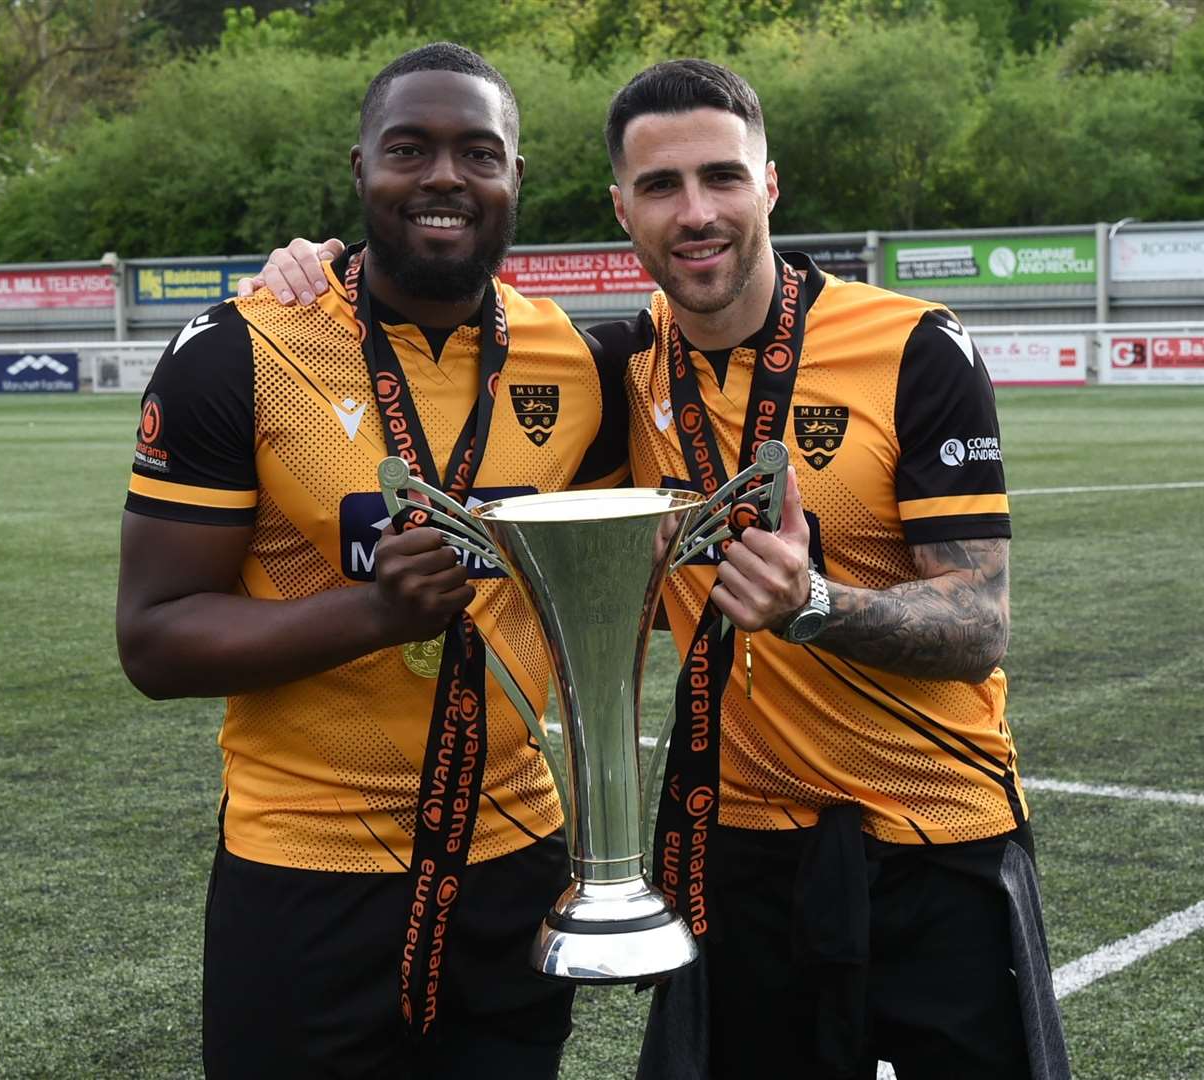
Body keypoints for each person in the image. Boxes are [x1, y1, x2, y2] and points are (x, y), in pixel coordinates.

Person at [252, 58, 1069, 1080]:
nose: (697, 213)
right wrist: (312, 270)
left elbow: (980, 624)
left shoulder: (915, 349)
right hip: (733, 845)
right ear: (621, 211)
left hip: (934, 835)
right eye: (660, 187)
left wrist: (812, 603)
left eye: (722, 177)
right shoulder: (616, 371)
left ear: (768, 186)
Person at [115, 43, 627, 1079]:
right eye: (410, 149)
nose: (445, 176)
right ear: (360, 172)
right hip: (308, 874)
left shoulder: (581, 362)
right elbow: (155, 639)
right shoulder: (239, 350)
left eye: (479, 153)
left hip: (515, 867)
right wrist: (371, 614)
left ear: (516, 180)